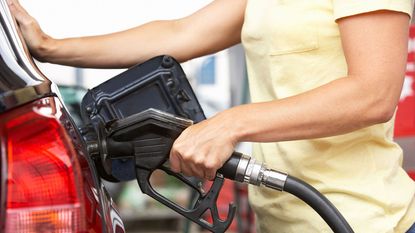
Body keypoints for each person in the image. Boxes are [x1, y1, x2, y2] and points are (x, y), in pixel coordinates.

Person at [8, 0, 415, 232]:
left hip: (362, 219)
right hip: (286, 221)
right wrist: (48, 45)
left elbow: (372, 94)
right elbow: (179, 33)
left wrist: (231, 123)